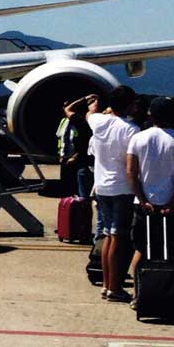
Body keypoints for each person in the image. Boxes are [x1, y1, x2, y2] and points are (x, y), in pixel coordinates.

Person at [70, 86, 138, 301]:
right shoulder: (131, 129)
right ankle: (114, 287)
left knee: (108, 235)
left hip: (102, 186)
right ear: (129, 105)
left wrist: (93, 104)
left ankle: (108, 285)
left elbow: (88, 113)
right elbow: (132, 165)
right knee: (119, 238)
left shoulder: (98, 121)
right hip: (122, 188)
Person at [126, 97, 174, 305]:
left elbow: (131, 172)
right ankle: (169, 292)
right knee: (172, 250)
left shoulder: (138, 138)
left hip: (144, 205)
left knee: (141, 249)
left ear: (150, 115)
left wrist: (142, 198)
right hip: (171, 205)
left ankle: (138, 295)